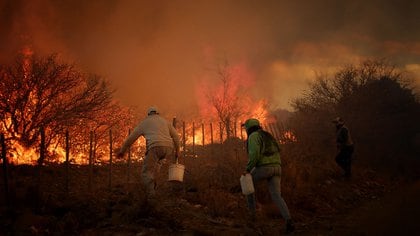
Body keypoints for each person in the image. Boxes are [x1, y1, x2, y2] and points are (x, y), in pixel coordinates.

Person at [242, 118, 295, 234]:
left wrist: (248, 169)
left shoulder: (253, 136)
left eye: (245, 127)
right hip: (277, 168)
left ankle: (252, 217)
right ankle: (289, 221)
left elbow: (254, 154)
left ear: (248, 128)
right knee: (277, 196)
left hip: (265, 168)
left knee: (248, 186)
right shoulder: (268, 135)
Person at [116, 106, 180, 200]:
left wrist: (122, 150)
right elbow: (176, 137)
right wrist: (177, 152)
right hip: (168, 149)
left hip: (155, 147)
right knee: (155, 170)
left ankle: (150, 197)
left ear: (148, 114)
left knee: (147, 172)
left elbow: (131, 138)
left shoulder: (144, 123)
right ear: (157, 113)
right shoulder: (165, 121)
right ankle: (157, 190)